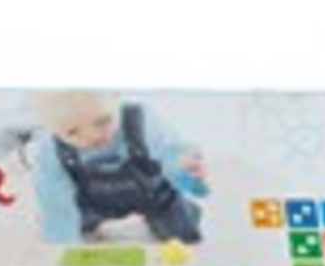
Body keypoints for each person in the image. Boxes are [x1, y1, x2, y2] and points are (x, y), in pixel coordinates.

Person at [25, 90, 207, 243]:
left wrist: (185, 168)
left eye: (102, 121)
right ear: (50, 128)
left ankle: (181, 212)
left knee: (184, 234)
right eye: (72, 132)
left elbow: (170, 151)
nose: (92, 137)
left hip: (152, 195)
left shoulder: (140, 120)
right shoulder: (50, 150)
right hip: (91, 203)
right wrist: (61, 244)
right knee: (61, 221)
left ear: (116, 97)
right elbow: (54, 198)